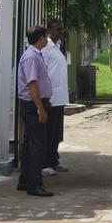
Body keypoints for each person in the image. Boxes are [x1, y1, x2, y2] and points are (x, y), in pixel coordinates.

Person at [17, 25, 54, 197]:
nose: (47, 40)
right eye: (45, 37)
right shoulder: (31, 57)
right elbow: (32, 84)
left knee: (29, 144)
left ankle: (25, 180)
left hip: (33, 105)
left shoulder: (35, 55)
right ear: (40, 38)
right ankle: (35, 184)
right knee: (36, 146)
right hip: (33, 106)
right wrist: (40, 109)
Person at [41, 19, 69, 177]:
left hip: (59, 98)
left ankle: (54, 160)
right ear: (49, 30)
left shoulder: (58, 47)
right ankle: (44, 163)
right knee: (48, 132)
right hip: (50, 97)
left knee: (56, 133)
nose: (60, 32)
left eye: (61, 29)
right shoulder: (46, 48)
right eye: (58, 29)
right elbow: (41, 72)